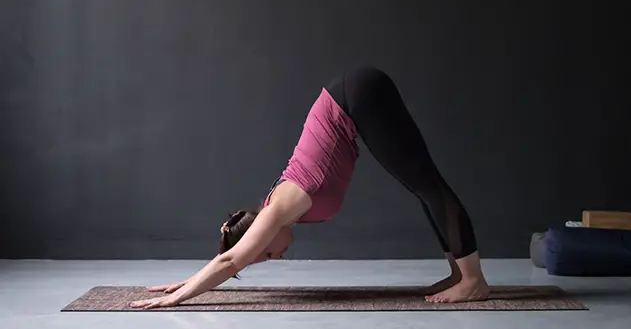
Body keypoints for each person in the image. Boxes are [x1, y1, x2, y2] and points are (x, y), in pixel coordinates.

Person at [130, 67, 490, 309]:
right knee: (423, 185)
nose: (278, 257)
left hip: (356, 97)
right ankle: (461, 273)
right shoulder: (282, 206)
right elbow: (229, 256)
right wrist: (185, 281)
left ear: (260, 232)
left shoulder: (281, 207)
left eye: (268, 254)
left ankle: (473, 280)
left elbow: (229, 260)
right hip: (354, 99)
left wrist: (174, 298)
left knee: (428, 184)